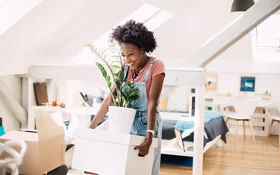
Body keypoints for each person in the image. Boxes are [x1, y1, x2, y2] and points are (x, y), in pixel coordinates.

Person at [89, 20, 165, 175]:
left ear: (143, 49)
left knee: (145, 169)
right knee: (125, 168)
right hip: (126, 122)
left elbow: (152, 103)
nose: (127, 60)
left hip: (147, 124)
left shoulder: (157, 66)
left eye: (131, 54)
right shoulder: (125, 68)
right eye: (124, 55)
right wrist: (91, 128)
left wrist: (149, 136)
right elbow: (110, 99)